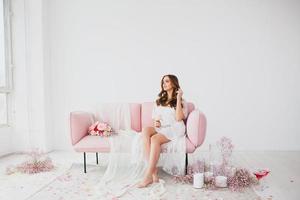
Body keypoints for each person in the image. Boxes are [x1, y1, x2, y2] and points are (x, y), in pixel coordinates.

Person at [137, 74, 188, 188]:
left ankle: (147, 175)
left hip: (174, 128)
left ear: (174, 83)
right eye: (163, 82)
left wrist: (179, 97)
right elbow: (156, 117)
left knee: (154, 138)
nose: (164, 84)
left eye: (167, 81)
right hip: (162, 127)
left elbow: (179, 118)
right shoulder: (159, 100)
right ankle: (154, 173)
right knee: (145, 130)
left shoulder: (182, 101)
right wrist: (156, 122)